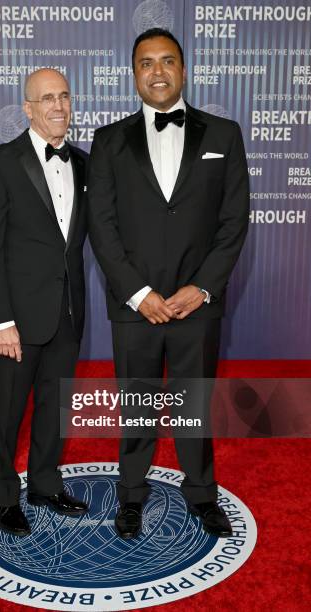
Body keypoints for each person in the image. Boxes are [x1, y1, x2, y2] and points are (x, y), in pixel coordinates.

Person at [88, 29, 249, 539]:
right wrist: (139, 294)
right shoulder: (109, 140)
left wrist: (201, 287)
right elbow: (102, 225)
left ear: (184, 69)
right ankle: (131, 496)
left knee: (192, 405)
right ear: (133, 74)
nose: (157, 72)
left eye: (167, 62)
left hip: (196, 304)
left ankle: (201, 493)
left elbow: (234, 221)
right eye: (145, 63)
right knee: (135, 404)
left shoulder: (224, 135)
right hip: (134, 306)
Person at [0, 68, 88, 536]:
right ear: (27, 108)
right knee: (8, 412)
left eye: (64, 96)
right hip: (17, 319)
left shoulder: (83, 163)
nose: (58, 106)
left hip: (68, 311)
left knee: (54, 408)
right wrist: (1, 321)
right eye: (46, 99)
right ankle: (4, 495)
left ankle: (44, 482)